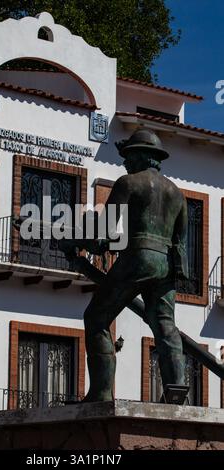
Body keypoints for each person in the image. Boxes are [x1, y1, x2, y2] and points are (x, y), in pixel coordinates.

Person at [61, 128, 189, 402]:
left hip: (138, 258)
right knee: (166, 325)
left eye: (128, 157)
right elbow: (181, 241)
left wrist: (75, 241)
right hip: (166, 265)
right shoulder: (177, 194)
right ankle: (176, 388)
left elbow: (104, 234)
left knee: (96, 318)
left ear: (141, 156)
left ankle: (101, 392)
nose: (125, 164)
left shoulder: (128, 183)